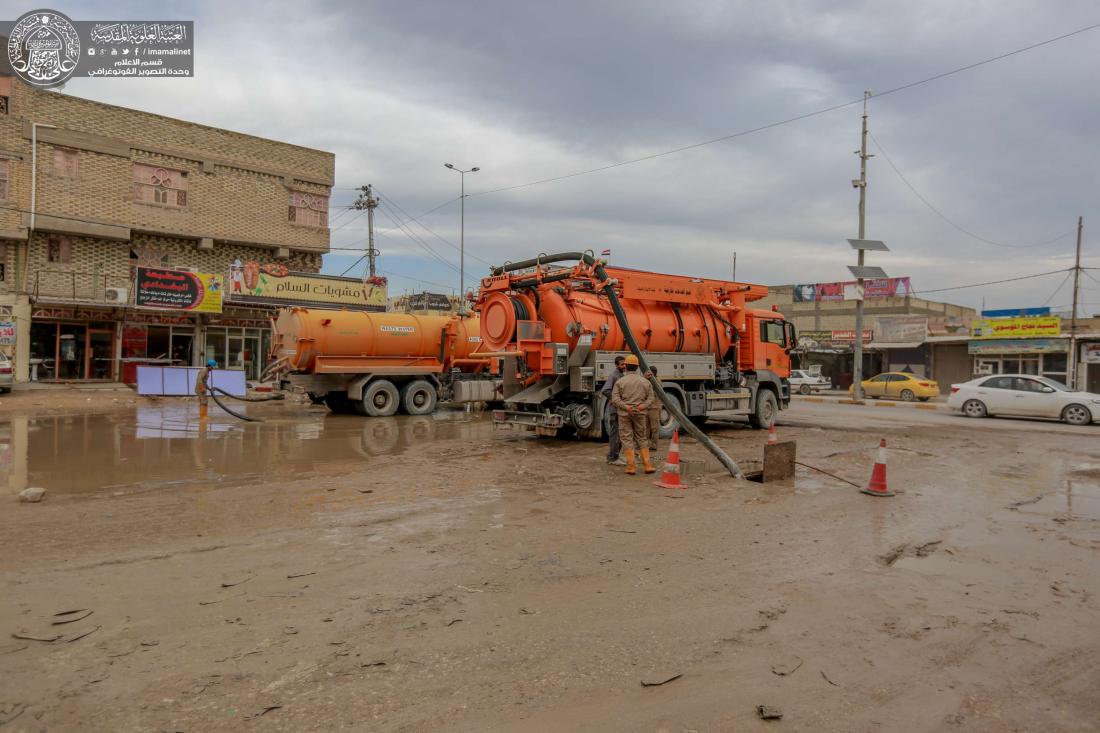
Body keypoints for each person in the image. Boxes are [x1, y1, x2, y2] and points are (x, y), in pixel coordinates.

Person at [611, 354, 656, 475]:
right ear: (637, 367)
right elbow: (651, 398)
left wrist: (627, 407)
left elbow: (615, 399)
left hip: (624, 414)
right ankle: (647, 466)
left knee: (626, 438)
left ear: (625, 366)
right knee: (642, 438)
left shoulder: (620, 381)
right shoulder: (645, 382)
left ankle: (631, 467)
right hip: (640, 413)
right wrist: (641, 406)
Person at [600, 355, 628, 465]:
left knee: (619, 434)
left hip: (619, 410)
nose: (624, 366)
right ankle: (612, 458)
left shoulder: (620, 375)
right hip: (615, 410)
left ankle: (615, 455)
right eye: (622, 364)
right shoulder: (614, 375)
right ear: (616, 365)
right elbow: (605, 390)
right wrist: (613, 398)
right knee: (615, 434)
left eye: (625, 364)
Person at [643, 365, 662, 455]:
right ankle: (645, 445)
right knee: (646, 428)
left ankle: (654, 445)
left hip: (654, 408)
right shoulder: (646, 381)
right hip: (646, 408)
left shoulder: (657, 381)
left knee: (654, 428)